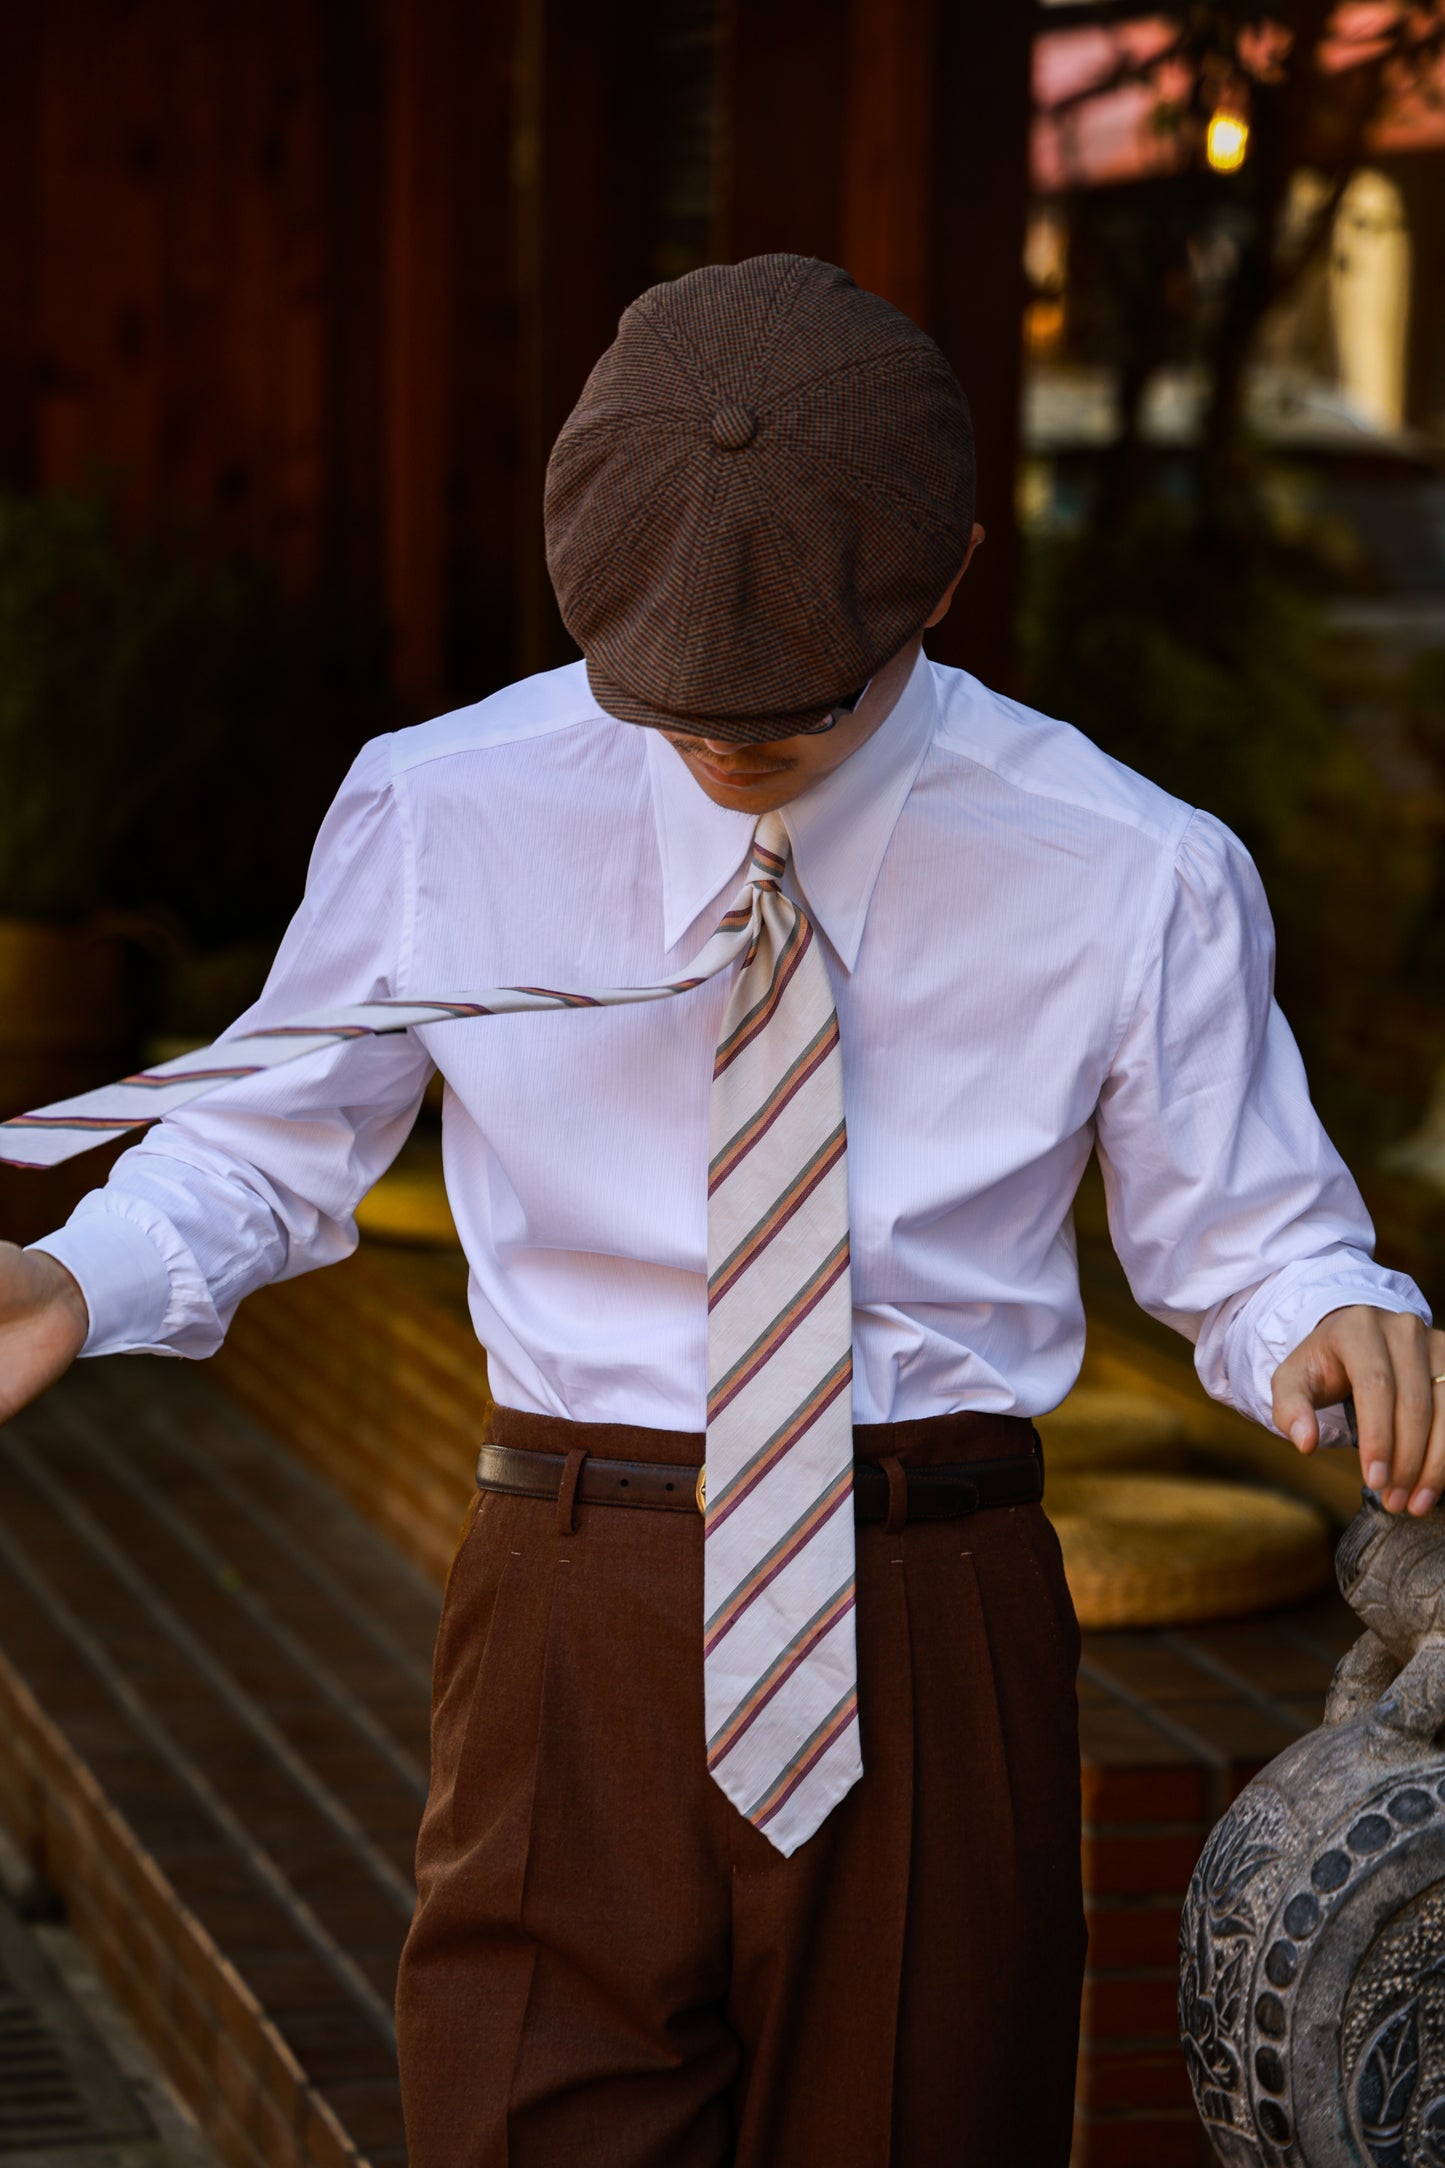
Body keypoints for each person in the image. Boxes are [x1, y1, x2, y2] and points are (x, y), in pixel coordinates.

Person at [0, 253, 1441, 2166]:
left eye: (790, 703)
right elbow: (269, 1139)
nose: (727, 744)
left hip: (933, 1600)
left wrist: (1323, 1308)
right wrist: (71, 1275)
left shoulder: (1132, 866)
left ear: (943, 579)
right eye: (667, 700)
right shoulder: (447, 808)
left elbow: (1249, 1238)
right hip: (564, 1599)